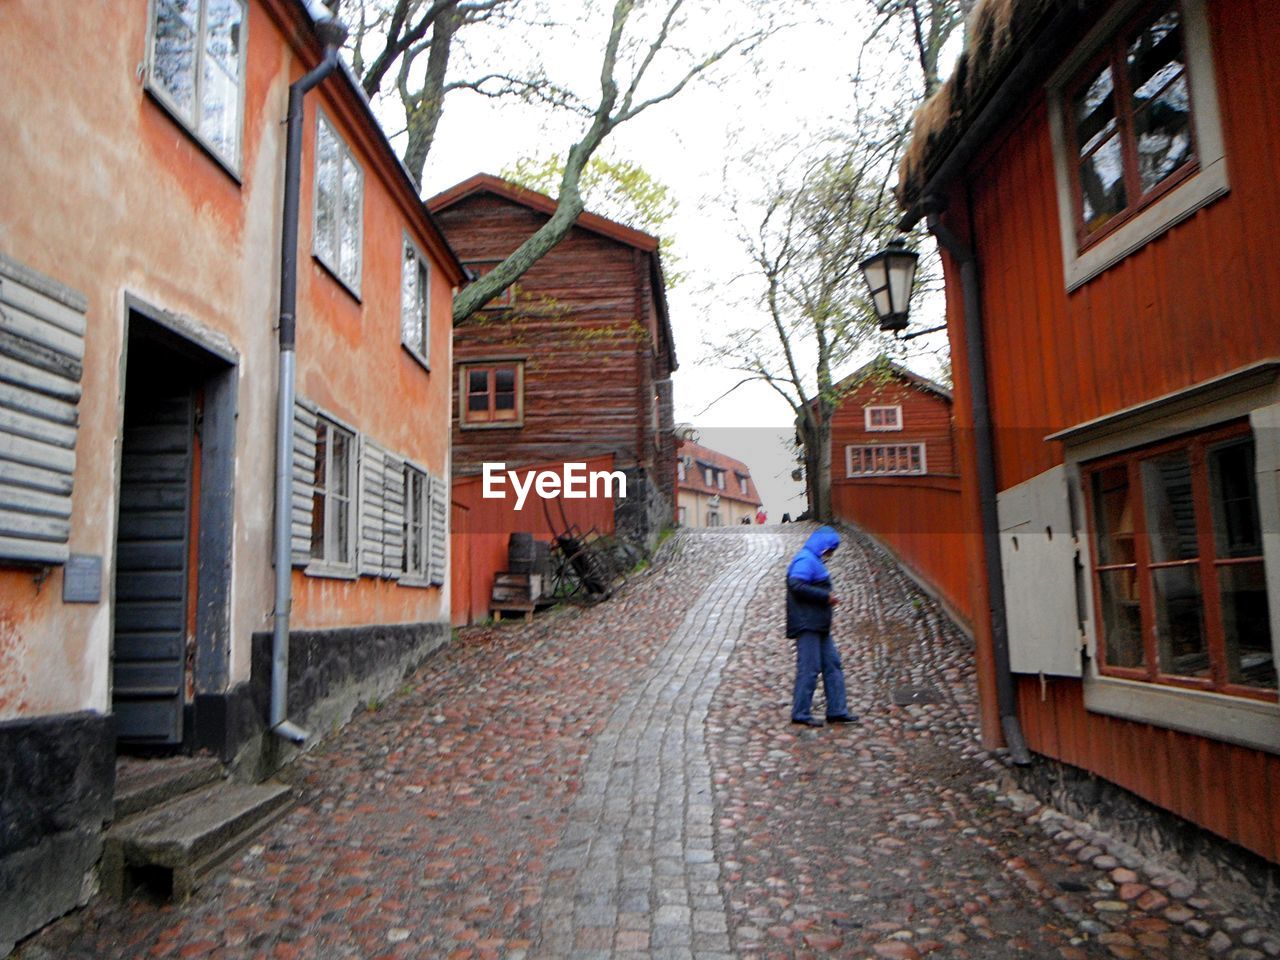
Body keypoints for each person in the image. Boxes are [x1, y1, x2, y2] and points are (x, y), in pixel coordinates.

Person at [786, 526, 857, 727]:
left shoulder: (812, 559)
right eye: (830, 551)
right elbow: (796, 585)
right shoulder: (805, 560)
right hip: (808, 624)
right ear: (823, 547)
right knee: (809, 668)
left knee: (832, 665)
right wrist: (826, 597)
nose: (830, 555)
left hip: (818, 624)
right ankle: (800, 713)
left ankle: (837, 710)